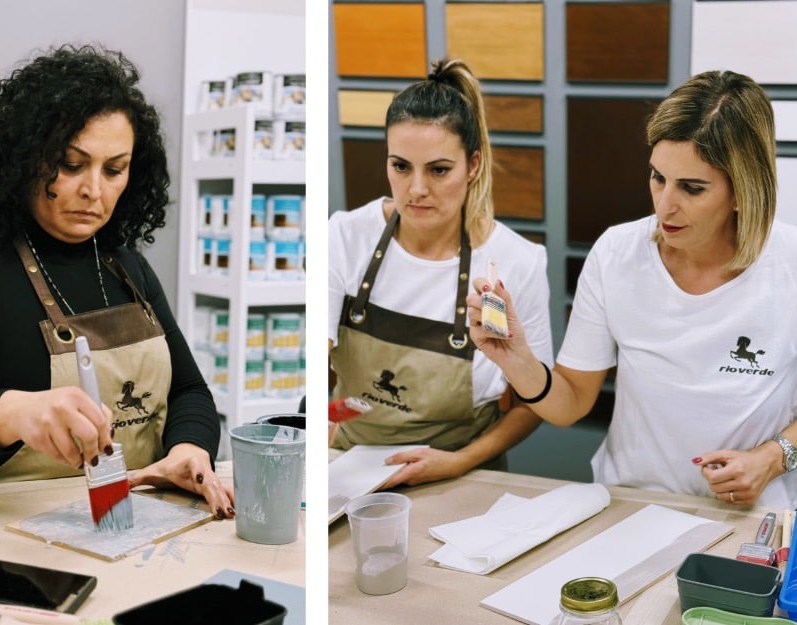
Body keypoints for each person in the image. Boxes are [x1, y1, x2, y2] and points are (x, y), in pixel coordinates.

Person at [0, 43, 235, 519]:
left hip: (135, 525)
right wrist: (14, 414)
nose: (93, 190)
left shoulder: (128, 268)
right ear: (24, 157)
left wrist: (191, 450)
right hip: (1, 542)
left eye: (114, 169)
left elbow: (189, 391)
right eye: (71, 163)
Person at [468, 69, 797, 508]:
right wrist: (518, 360)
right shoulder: (616, 253)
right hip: (631, 504)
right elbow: (570, 404)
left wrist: (772, 458)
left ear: (743, 191)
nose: (664, 205)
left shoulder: (789, 264)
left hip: (751, 516)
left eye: (692, 188)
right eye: (658, 177)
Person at [328, 58, 554, 488]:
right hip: (349, 470)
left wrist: (461, 461)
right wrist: (323, 417)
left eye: (438, 170)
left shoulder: (510, 262)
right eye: (400, 166)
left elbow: (533, 403)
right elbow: (317, 359)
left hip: (462, 476)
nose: (416, 189)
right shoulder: (344, 237)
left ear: (472, 165)